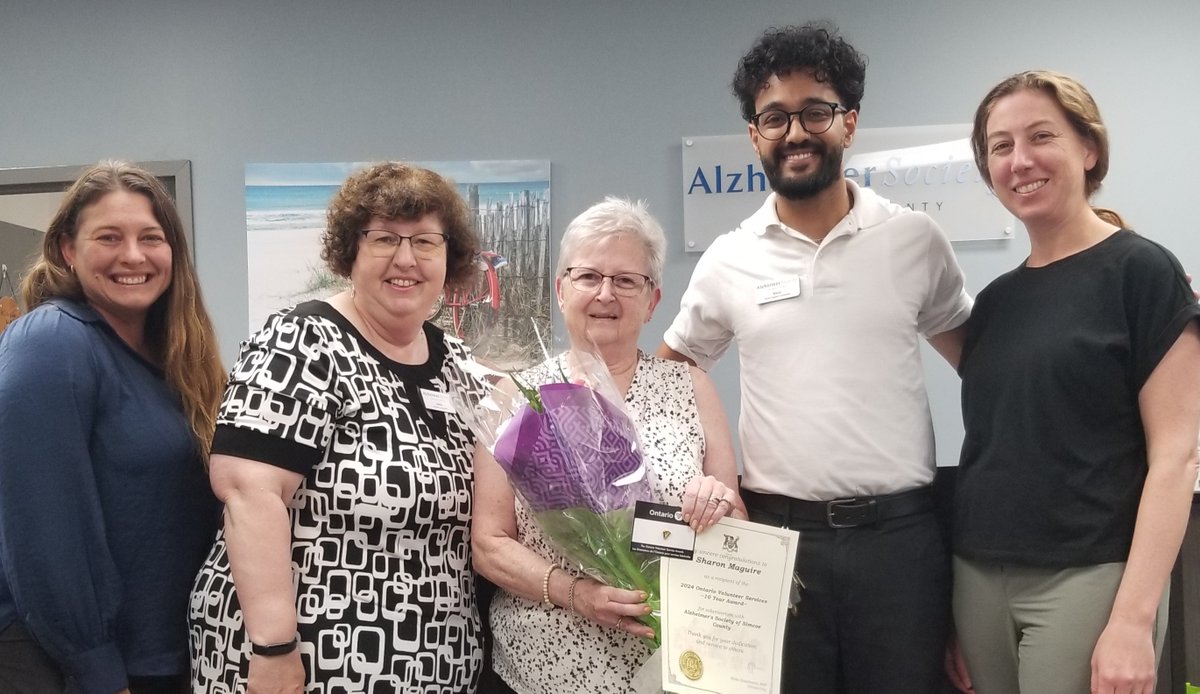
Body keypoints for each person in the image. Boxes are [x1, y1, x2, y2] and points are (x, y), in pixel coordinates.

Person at [657, 23, 972, 693]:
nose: (795, 132)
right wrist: (703, 475)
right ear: (754, 135)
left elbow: (986, 369)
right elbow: (667, 380)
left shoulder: (914, 239)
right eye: (775, 117)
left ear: (849, 123)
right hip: (775, 541)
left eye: (816, 112)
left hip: (901, 542)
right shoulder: (730, 257)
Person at [188, 162, 487, 692]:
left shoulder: (456, 361)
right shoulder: (300, 341)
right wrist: (274, 647)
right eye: (384, 238)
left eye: (424, 241)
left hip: (433, 658)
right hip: (306, 661)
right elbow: (248, 493)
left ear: (449, 256)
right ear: (350, 251)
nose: (405, 258)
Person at [951, 70, 1200, 694]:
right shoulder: (997, 303)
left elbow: (1178, 456)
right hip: (979, 579)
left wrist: (1133, 621)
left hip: (1090, 577)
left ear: (1088, 150)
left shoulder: (1142, 272)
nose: (1020, 160)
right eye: (1000, 146)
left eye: (1041, 136)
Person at [473, 197, 747, 694]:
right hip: (543, 668)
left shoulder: (691, 386)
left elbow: (737, 524)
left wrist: (720, 503)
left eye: (626, 280)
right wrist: (577, 594)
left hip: (675, 663)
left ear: (653, 300)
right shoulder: (515, 397)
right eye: (588, 277)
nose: (606, 293)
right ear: (561, 290)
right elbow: (490, 545)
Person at [0, 161, 225, 694]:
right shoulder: (52, 343)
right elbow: (47, 529)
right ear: (68, 250)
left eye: (152, 237)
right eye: (109, 237)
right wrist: (96, 667)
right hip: (72, 666)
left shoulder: (176, 360)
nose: (133, 255)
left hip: (161, 654)